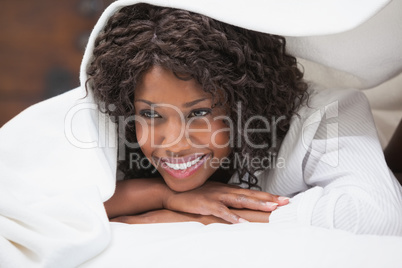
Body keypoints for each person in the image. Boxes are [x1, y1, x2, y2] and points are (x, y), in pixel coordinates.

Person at [86, 3, 402, 233]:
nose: (174, 144)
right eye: (150, 114)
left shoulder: (324, 113)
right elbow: (55, 203)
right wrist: (163, 195)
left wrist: (210, 217)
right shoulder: (111, 116)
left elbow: (380, 214)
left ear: (245, 98)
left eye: (199, 113)